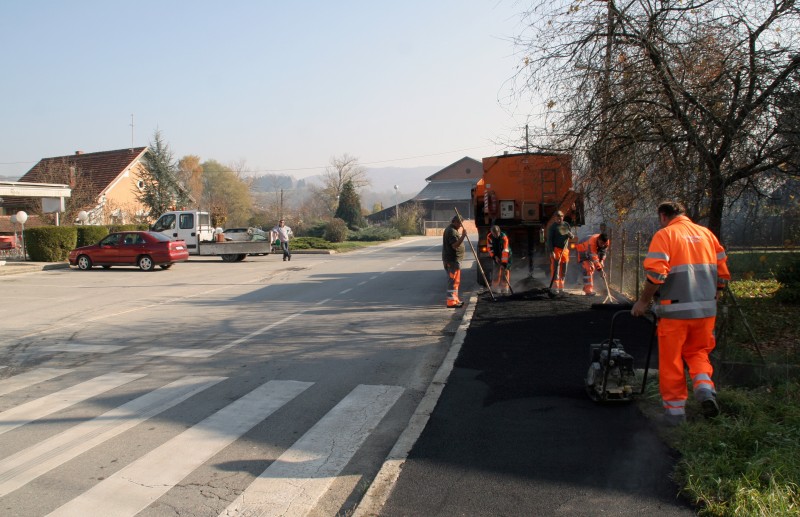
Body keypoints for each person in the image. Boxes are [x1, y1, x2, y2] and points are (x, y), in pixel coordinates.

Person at [631, 201, 731, 426]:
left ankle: (675, 414)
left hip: (675, 312)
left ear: (663, 216)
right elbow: (723, 274)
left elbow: (657, 274)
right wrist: (714, 297)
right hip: (705, 311)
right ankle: (705, 389)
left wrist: (643, 301)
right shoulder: (707, 235)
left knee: (672, 361)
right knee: (698, 353)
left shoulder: (665, 235)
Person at [442, 215, 467, 308]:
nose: (461, 225)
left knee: (456, 282)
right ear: (455, 222)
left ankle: (455, 300)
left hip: (454, 261)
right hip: (452, 261)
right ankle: (451, 302)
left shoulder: (453, 229)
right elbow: (455, 245)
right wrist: (463, 236)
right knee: (452, 281)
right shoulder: (451, 231)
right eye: (460, 223)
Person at [546, 210, 573, 293]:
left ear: (562, 217)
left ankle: (561, 287)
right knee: (556, 268)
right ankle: (555, 288)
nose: (559, 219)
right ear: (555, 218)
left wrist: (570, 235)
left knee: (563, 270)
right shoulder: (553, 227)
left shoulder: (565, 225)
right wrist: (551, 251)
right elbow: (549, 240)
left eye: (561, 217)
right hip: (556, 250)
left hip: (565, 250)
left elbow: (570, 236)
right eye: (557, 217)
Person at [487, 225, 511, 294]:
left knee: (505, 271)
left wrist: (504, 263)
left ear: (499, 232)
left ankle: (505, 289)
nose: (495, 236)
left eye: (496, 234)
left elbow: (505, 251)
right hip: (496, 255)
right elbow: (489, 248)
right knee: (496, 271)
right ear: (491, 233)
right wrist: (495, 257)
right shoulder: (489, 236)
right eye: (493, 234)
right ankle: (494, 289)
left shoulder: (503, 237)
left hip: (506, 255)